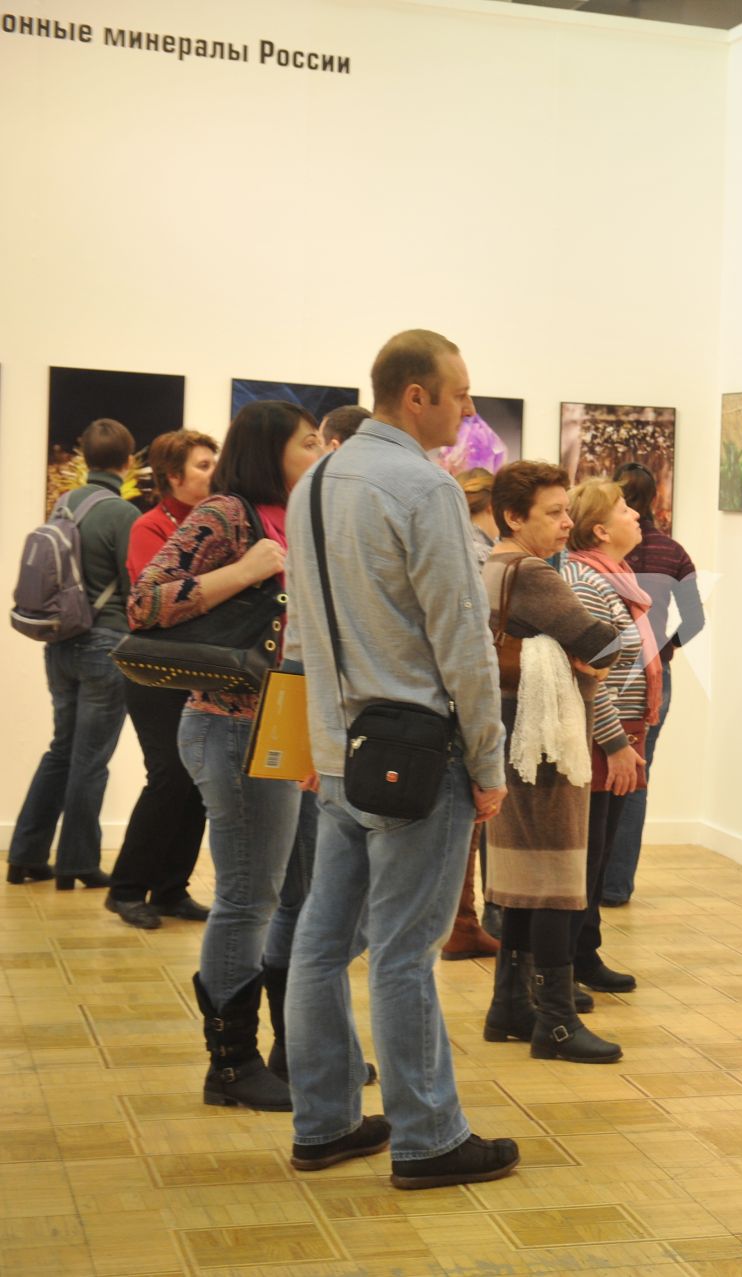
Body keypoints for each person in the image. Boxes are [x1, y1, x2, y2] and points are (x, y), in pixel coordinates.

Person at [281, 329, 518, 1190]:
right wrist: (489, 761)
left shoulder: (315, 483)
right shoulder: (424, 487)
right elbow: (462, 637)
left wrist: (312, 740)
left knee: (321, 941)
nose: (467, 410)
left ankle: (327, 1121)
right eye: (459, 394)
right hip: (418, 755)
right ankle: (426, 1136)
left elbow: (301, 627)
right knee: (404, 949)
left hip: (341, 755)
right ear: (414, 396)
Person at [130, 401, 324, 1111]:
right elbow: (145, 604)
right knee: (248, 898)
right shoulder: (227, 515)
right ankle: (232, 1062)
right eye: (309, 444)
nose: (319, 454)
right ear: (273, 448)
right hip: (231, 724)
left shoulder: (296, 517)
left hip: (288, 730)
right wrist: (244, 571)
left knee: (299, 897)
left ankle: (291, 1045)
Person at [479, 461, 623, 1066]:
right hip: (546, 742)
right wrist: (581, 651)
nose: (568, 522)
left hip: (514, 733)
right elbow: (607, 643)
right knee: (559, 880)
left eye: (568, 510)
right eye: (554, 512)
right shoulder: (533, 572)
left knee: (520, 880)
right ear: (515, 516)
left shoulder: (493, 564)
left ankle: (511, 1005)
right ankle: (557, 1022)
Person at [272, 404, 388, 1077]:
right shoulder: (299, 509)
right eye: (307, 443)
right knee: (307, 910)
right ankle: (304, 1057)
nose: (318, 452)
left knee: (323, 917)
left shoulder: (311, 508)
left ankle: (318, 1068)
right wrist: (307, 742)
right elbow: (301, 640)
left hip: (340, 740)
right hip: (331, 742)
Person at [9, 419, 141, 890]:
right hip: (104, 645)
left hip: (59, 644)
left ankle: (24, 853)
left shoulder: (63, 505)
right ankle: (78, 863)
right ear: (127, 462)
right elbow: (135, 591)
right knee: (91, 758)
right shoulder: (123, 514)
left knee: (61, 750)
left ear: (85, 458)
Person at [103, 429, 218, 928]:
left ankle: (172, 889)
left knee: (198, 781)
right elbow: (163, 602)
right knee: (169, 776)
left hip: (199, 669)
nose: (214, 472)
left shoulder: (214, 524)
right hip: (155, 674)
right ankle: (127, 889)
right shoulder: (149, 526)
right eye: (203, 465)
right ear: (174, 476)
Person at [559, 480, 658, 995]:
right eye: (624, 510)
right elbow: (591, 676)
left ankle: (584, 952)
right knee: (588, 856)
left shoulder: (613, 577)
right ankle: (570, 961)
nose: (636, 514)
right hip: (603, 738)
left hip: (619, 735)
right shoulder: (588, 584)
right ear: (600, 530)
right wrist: (616, 743)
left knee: (597, 856)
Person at [600, 463, 703, 908]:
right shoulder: (673, 552)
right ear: (657, 498)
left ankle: (585, 880)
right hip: (653, 676)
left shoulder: (596, 550)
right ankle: (616, 886)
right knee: (637, 778)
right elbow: (696, 620)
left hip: (603, 673)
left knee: (595, 774)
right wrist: (665, 647)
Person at [442, 466, 503, 958]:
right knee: (469, 822)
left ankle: (464, 922)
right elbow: (476, 645)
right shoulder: (481, 553)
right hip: (469, 702)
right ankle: (461, 923)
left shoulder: (464, 546)